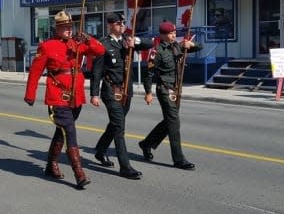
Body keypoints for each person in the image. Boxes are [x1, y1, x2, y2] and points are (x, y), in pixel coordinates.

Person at [24, 11, 105, 189]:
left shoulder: (77, 44)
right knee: (70, 132)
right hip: (58, 96)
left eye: (70, 26)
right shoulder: (47, 46)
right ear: (57, 28)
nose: (69, 29)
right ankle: (79, 173)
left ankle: (51, 165)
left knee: (61, 132)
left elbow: (100, 50)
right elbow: (35, 72)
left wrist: (88, 39)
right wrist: (30, 94)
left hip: (75, 97)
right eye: (65, 27)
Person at [90, 12, 153, 180]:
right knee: (119, 128)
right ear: (110, 25)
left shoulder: (128, 40)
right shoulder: (103, 44)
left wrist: (136, 41)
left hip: (126, 91)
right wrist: (94, 94)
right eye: (118, 23)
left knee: (115, 124)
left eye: (123, 23)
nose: (122, 25)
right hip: (111, 90)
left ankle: (101, 150)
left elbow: (150, 43)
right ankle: (125, 167)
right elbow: (96, 72)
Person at [138, 21, 203, 170]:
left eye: (174, 32)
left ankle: (146, 144)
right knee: (174, 123)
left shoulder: (177, 46)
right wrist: (148, 92)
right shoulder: (157, 51)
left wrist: (191, 45)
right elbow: (148, 74)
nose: (174, 35)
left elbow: (200, 47)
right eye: (170, 33)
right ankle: (179, 159)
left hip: (176, 90)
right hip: (165, 89)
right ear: (162, 35)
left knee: (169, 121)